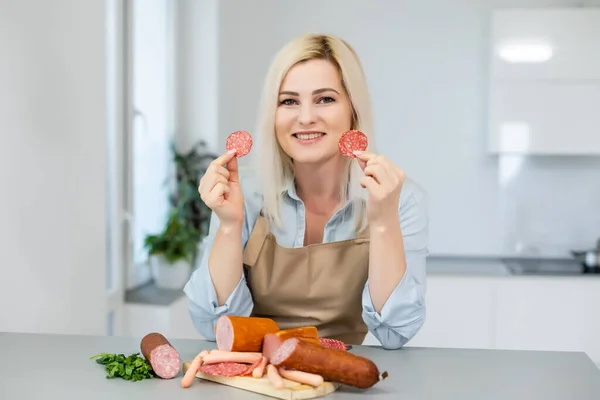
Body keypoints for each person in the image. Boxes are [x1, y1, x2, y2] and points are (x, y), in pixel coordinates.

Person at [183, 33, 429, 350]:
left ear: (353, 109)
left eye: (325, 99)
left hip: (343, 376)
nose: (306, 117)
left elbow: (395, 332)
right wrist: (229, 226)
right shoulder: (242, 192)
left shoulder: (399, 197)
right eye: (289, 101)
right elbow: (211, 325)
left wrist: (382, 223)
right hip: (255, 380)